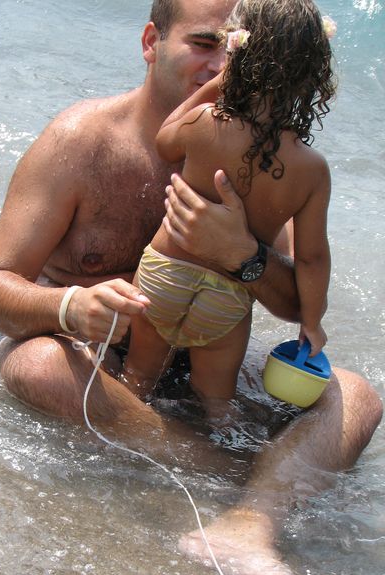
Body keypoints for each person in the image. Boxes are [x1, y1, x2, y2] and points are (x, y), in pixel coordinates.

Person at [0, 0, 382, 575]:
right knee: (36, 364)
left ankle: (247, 524)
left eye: (237, 47)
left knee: (356, 397)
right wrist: (72, 304)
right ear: (151, 42)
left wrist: (243, 254)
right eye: (205, 43)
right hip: (100, 364)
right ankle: (242, 480)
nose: (222, 64)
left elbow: (298, 301)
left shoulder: (262, 157)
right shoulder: (83, 142)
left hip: (205, 359)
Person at [122, 0, 334, 418]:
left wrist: (216, 85)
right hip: (228, 296)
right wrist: (311, 322)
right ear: (311, 76)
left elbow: (165, 142)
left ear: (236, 55)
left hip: (164, 275)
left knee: (137, 377)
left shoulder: (204, 121)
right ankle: (221, 448)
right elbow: (312, 258)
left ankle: (118, 437)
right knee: (218, 401)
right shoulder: (311, 169)